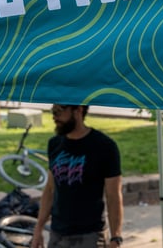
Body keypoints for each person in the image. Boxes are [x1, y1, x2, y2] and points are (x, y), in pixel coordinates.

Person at [31, 104, 124, 248]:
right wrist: (38, 229)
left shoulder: (105, 147)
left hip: (90, 236)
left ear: (78, 110)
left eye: (59, 111)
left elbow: (113, 196)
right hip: (57, 235)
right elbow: (50, 189)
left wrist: (116, 238)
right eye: (53, 111)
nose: (54, 116)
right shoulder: (54, 144)